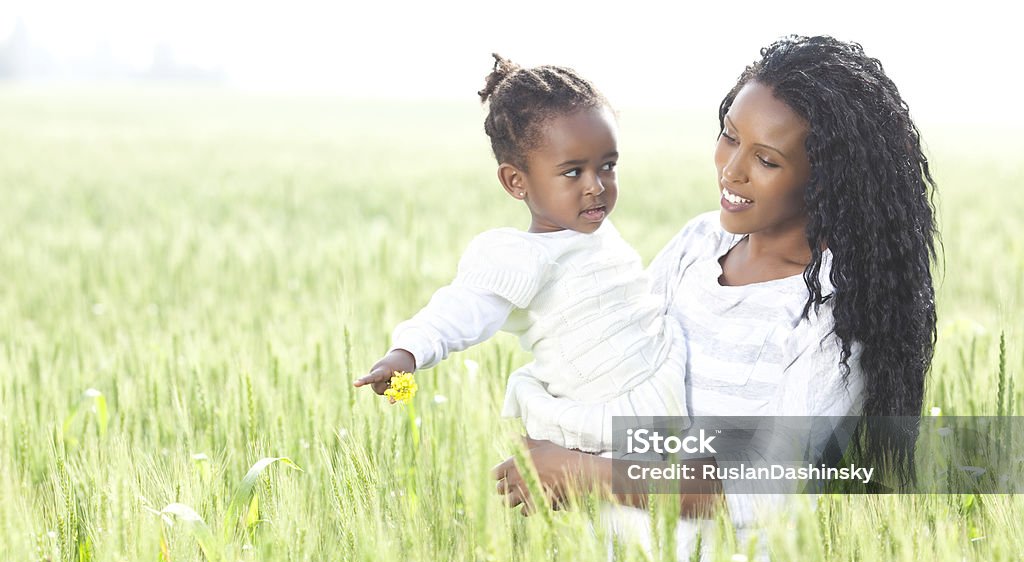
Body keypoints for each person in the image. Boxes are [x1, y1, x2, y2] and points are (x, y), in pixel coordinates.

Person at [492, 35, 939, 527]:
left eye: (766, 160)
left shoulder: (837, 312)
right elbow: (620, 368)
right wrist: (557, 441)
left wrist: (582, 472)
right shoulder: (697, 243)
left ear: (829, 179)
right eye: (729, 136)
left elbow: (765, 488)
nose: (731, 170)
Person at [354, 54, 690, 453]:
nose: (596, 186)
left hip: (664, 389)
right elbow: (461, 308)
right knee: (632, 508)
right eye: (572, 172)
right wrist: (407, 352)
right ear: (516, 181)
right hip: (602, 421)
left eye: (608, 166)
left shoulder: (596, 231)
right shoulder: (519, 256)